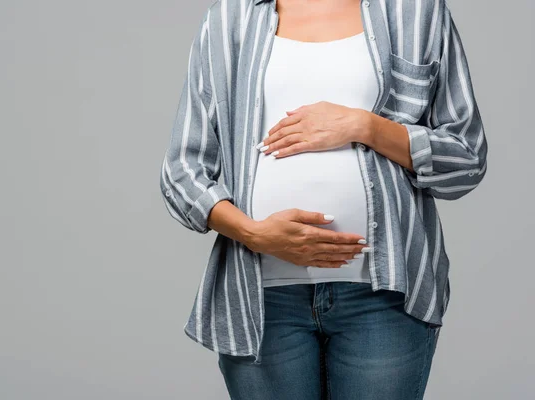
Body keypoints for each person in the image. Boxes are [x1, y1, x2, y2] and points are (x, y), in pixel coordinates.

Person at [159, 0, 487, 398]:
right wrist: (254, 233)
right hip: (261, 299)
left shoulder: (416, 11)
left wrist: (363, 125)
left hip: (383, 299)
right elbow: (182, 171)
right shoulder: (230, 18)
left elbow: (466, 159)